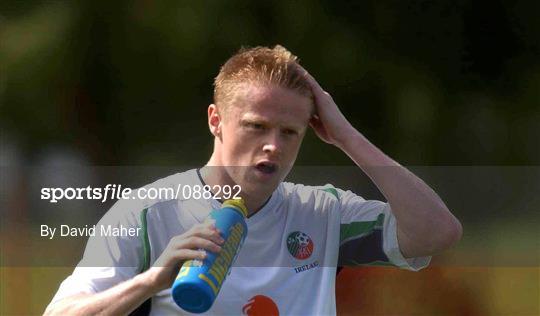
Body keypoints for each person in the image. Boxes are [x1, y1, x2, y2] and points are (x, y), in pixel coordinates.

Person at [45, 45, 462, 315]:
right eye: (256, 126)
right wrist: (152, 280)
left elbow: (437, 232)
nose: (273, 147)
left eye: (289, 132)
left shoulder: (323, 212)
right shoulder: (144, 213)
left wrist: (347, 136)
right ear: (215, 121)